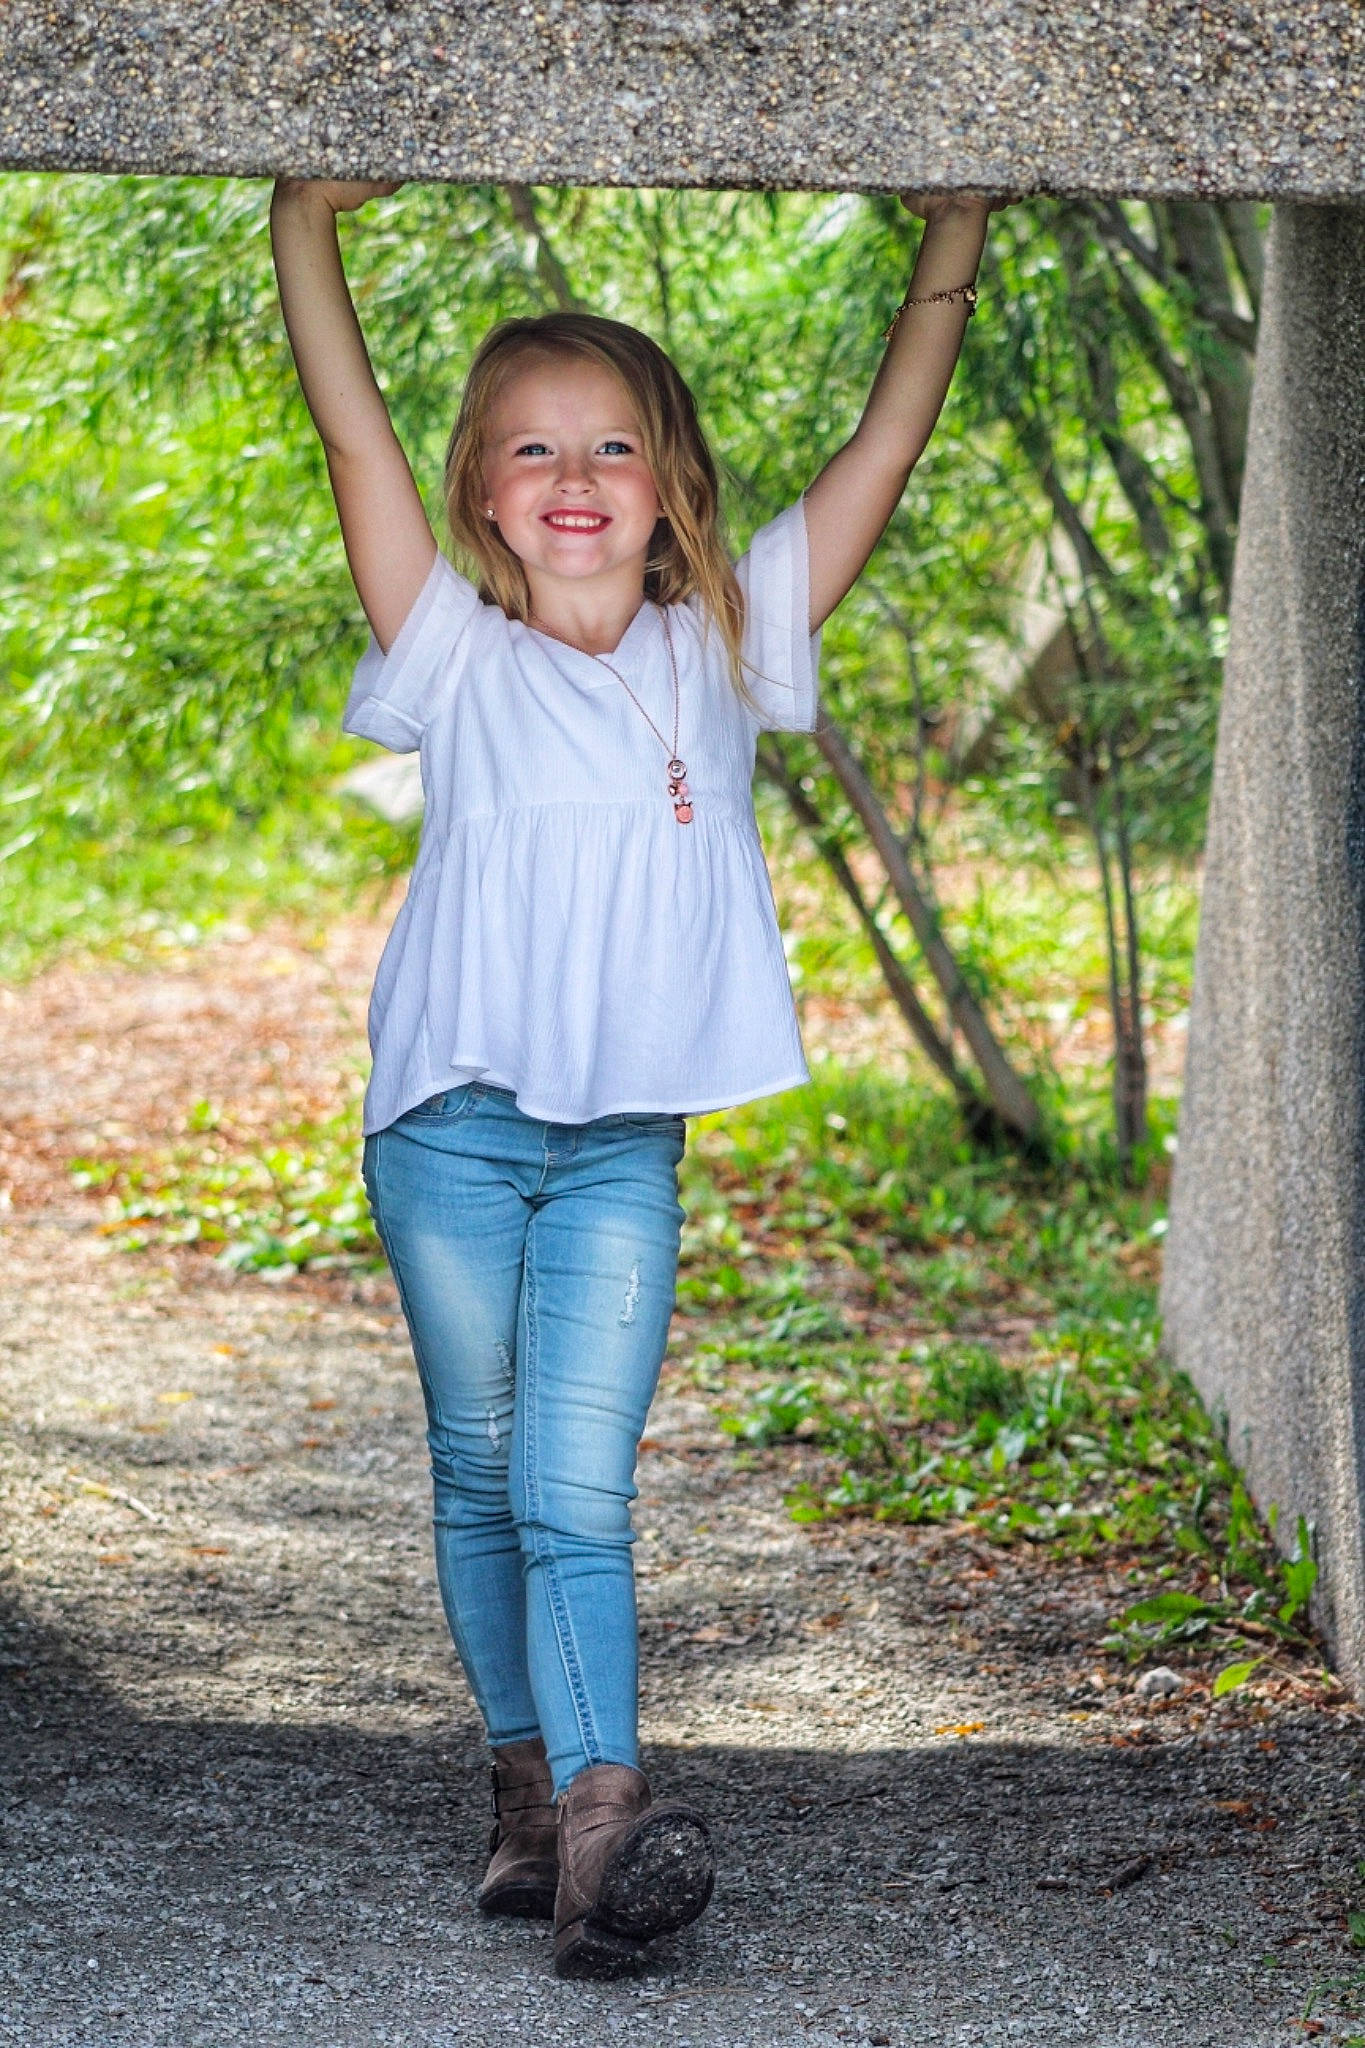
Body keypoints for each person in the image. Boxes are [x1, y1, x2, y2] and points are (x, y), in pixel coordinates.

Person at [270, 175, 999, 1979]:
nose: (571, 476)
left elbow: (882, 448)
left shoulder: (728, 639)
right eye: (528, 450)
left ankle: (601, 1821)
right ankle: (529, 1801)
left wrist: (952, 233)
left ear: (668, 476)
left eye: (609, 443)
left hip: (616, 1151)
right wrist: (305, 227)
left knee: (573, 1489)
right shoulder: (452, 648)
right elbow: (344, 427)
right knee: (478, 1469)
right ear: (478, 490)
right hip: (446, 1121)